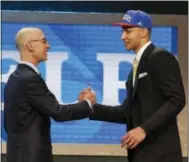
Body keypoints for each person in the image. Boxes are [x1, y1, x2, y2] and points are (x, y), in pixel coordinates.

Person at [79, 10, 185, 162]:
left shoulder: (160, 57)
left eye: (128, 31)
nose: (123, 36)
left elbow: (177, 100)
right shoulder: (135, 69)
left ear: (143, 32)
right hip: (141, 155)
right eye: (123, 31)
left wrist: (144, 129)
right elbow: (126, 113)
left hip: (161, 155)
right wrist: (90, 107)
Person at [4, 27, 96, 162]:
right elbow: (59, 112)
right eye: (44, 41)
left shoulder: (16, 77)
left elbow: (8, 124)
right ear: (30, 45)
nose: (48, 45)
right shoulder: (29, 79)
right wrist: (88, 103)